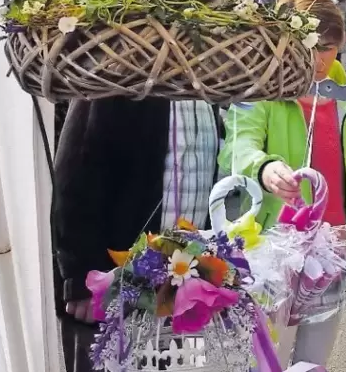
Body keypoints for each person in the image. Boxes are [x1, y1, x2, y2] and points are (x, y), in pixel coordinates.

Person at [221, 0, 346, 368]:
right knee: (266, 363)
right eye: (313, 45)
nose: (321, 58)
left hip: (336, 257)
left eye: (331, 48)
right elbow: (235, 149)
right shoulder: (259, 91)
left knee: (314, 364)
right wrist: (263, 168)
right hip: (273, 257)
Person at [54, 103, 224, 368]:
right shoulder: (121, 73)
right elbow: (75, 171)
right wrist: (80, 274)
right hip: (116, 283)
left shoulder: (206, 91)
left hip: (184, 284)